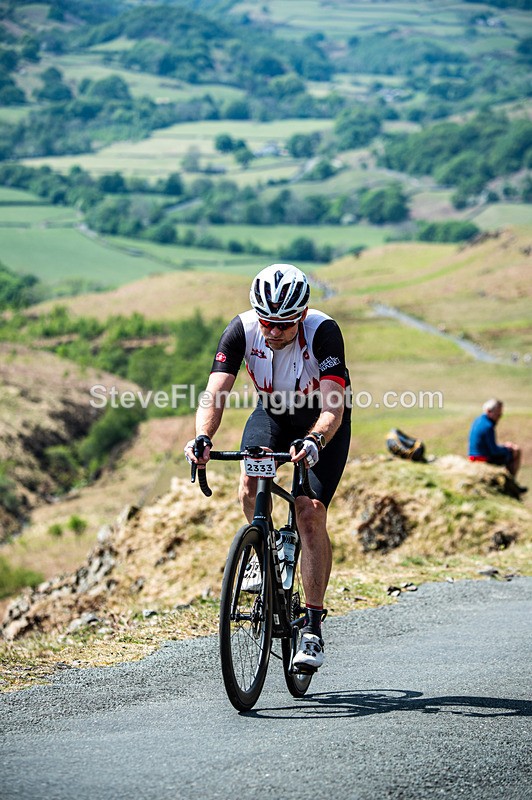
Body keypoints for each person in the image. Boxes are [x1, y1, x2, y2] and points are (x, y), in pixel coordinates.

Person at [185, 264, 351, 670]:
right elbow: (215, 392)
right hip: (273, 413)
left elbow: (334, 404)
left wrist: (315, 440)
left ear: (302, 314)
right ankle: (263, 550)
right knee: (248, 481)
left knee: (308, 512)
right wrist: (203, 438)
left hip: (320, 421)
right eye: (267, 323)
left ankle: (312, 625)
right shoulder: (241, 330)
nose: (273, 332)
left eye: (284, 325)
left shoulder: (323, 331)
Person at [468, 399, 526, 492]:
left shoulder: (478, 421)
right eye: (498, 414)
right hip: (483, 458)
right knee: (515, 453)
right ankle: (511, 485)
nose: (500, 417)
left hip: (474, 456)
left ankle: (510, 484)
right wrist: (508, 448)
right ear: (489, 411)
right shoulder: (488, 426)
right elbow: (493, 451)